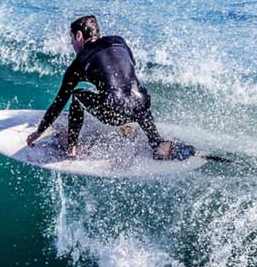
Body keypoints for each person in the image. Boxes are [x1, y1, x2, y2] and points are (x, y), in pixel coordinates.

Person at [26, 15, 183, 160]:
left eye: (72, 38)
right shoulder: (119, 42)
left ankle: (71, 146)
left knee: (77, 96)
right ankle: (157, 142)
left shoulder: (79, 61)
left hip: (114, 113)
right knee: (132, 94)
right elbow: (126, 70)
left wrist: (39, 131)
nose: (71, 43)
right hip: (143, 104)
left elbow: (59, 102)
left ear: (79, 35)